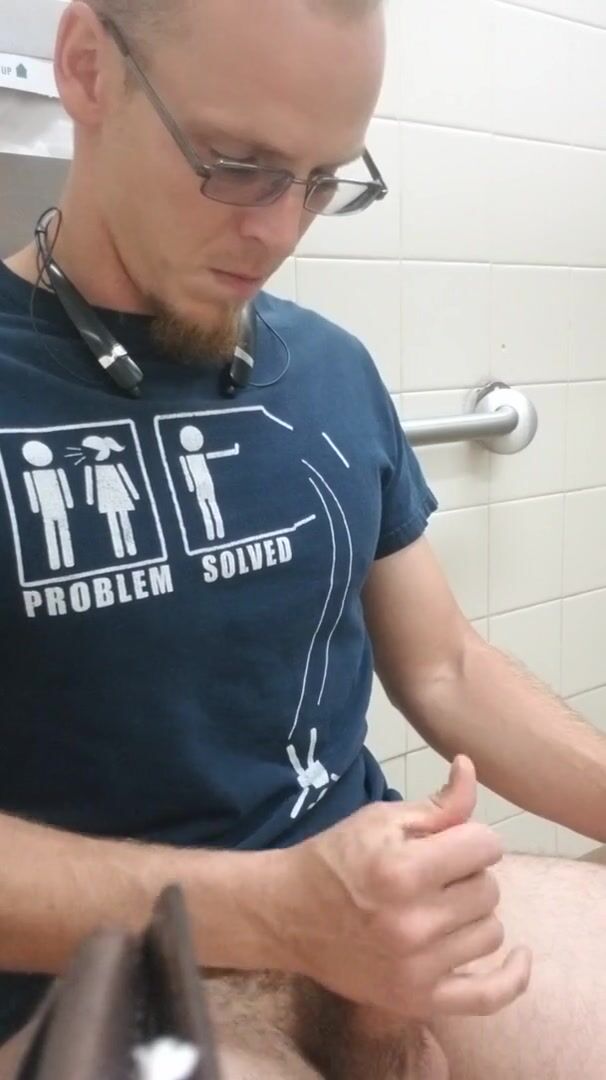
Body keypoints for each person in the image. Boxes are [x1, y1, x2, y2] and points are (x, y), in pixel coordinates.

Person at [0, 1, 605, 1076]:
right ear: (89, 68)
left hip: (374, 934)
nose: (281, 232)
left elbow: (448, 668)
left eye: (323, 181)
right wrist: (279, 910)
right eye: (238, 167)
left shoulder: (330, 369)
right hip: (104, 983)